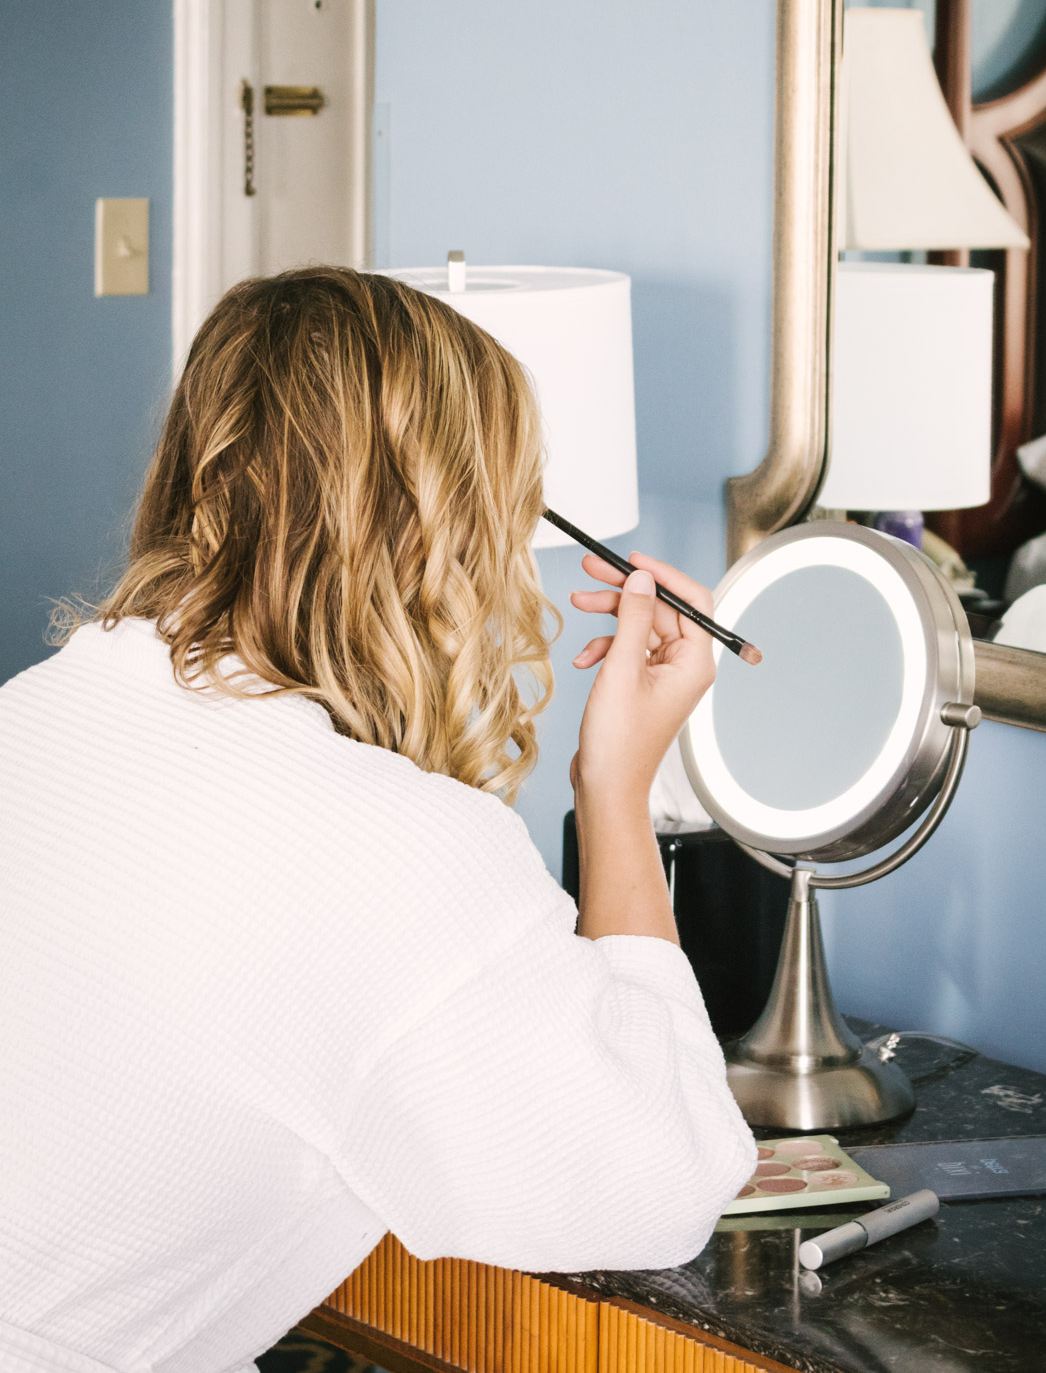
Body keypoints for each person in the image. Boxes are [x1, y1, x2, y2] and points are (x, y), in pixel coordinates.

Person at [0, 267, 755, 1373]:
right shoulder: (391, 850)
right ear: (441, 530)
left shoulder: (38, 710)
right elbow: (659, 1179)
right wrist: (614, 791)